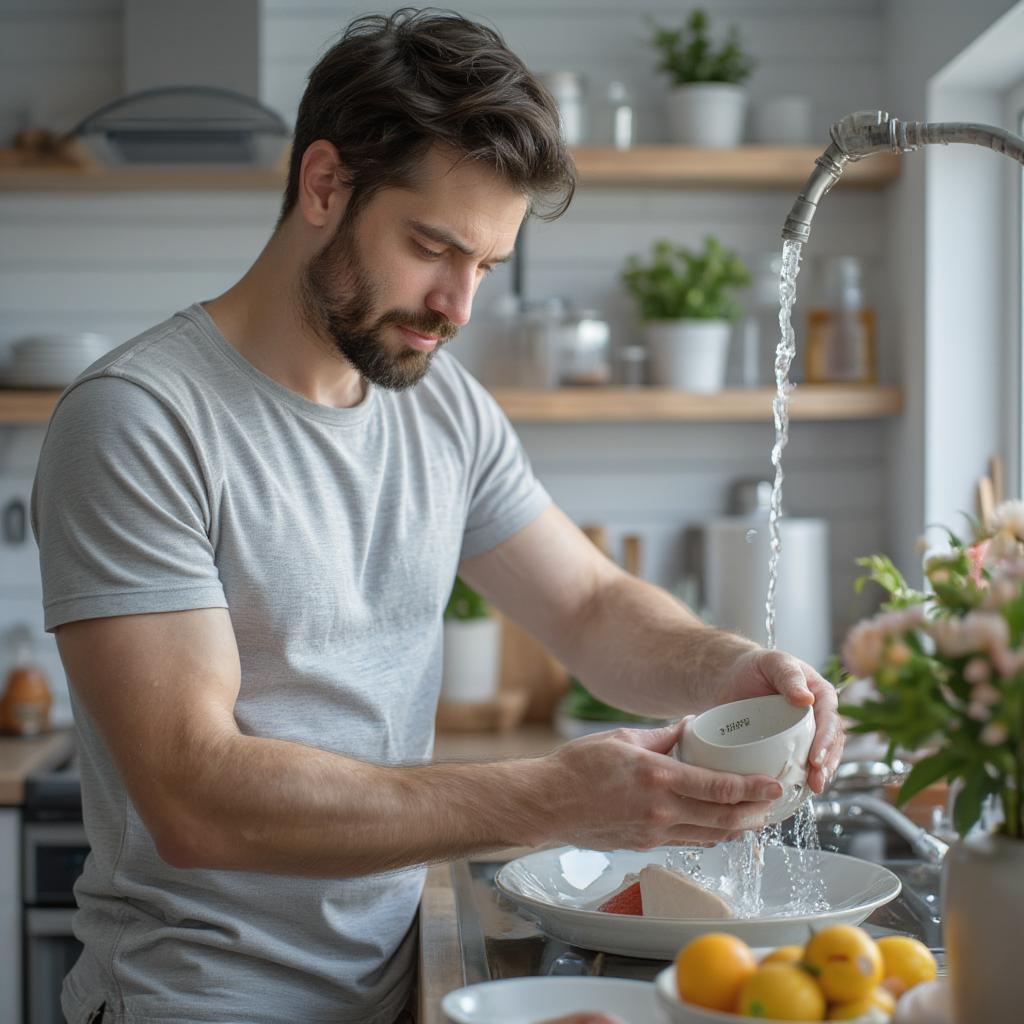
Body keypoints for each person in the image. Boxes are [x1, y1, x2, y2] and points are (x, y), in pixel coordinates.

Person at [31, 9, 843, 1024]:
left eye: (486, 268)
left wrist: (726, 668)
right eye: (432, 247)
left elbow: (588, 603)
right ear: (324, 184)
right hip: (200, 1002)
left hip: (392, 983)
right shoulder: (140, 419)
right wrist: (551, 794)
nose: (458, 305)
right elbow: (196, 795)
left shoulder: (440, 405)